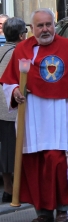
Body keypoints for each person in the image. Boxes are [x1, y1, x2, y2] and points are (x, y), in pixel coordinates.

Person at [0, 8, 68, 222]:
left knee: (57, 162)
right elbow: (10, 80)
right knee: (35, 165)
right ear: (31, 29)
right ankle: (42, 211)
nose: (45, 29)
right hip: (32, 116)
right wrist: (14, 91)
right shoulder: (22, 49)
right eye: (40, 26)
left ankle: (62, 209)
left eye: (48, 24)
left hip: (60, 115)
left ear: (54, 24)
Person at [0, 18, 27, 203]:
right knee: (12, 150)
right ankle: (11, 190)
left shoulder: (2, 50)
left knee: (5, 149)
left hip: (1, 109)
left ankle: (9, 187)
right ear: (21, 35)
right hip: (10, 109)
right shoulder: (19, 53)